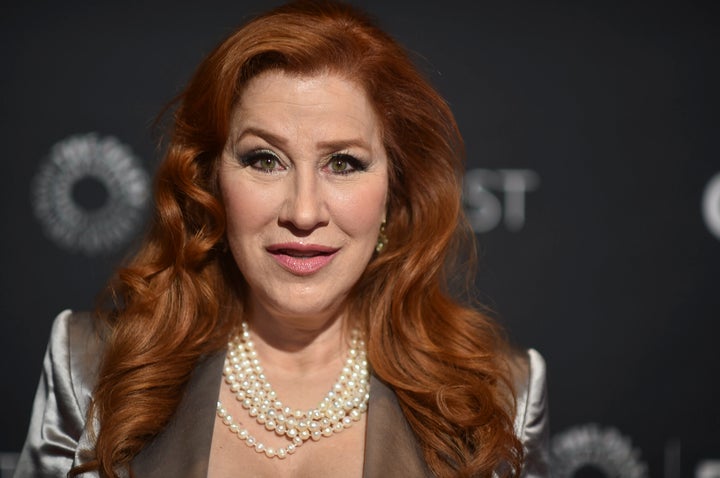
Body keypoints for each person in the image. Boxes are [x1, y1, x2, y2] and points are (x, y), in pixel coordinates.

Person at [15, 1, 548, 477]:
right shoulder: (90, 368)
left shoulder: (501, 395)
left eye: (343, 163)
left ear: (394, 189)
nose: (304, 211)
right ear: (211, 181)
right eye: (264, 160)